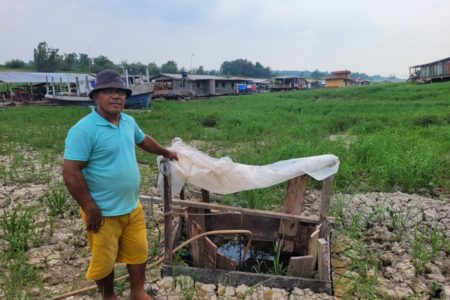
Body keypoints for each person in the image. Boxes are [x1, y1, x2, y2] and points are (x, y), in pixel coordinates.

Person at [63, 69, 177, 300]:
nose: (116, 97)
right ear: (96, 97)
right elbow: (71, 171)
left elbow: (143, 140)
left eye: (120, 92)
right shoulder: (84, 130)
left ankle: (137, 291)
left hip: (131, 206)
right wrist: (89, 206)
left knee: (138, 252)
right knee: (104, 260)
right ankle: (109, 296)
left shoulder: (128, 121)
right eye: (108, 92)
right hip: (103, 211)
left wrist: (167, 152)